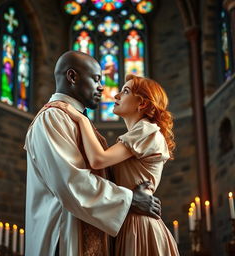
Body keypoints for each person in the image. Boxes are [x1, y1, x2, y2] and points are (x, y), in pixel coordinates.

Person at [24, 51, 162, 256]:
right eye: (96, 79)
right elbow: (70, 182)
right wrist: (130, 199)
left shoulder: (76, 119)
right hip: (64, 238)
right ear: (72, 77)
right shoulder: (52, 117)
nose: (102, 87)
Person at [47, 74, 180, 256]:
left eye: (125, 91)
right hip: (127, 222)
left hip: (140, 225)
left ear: (142, 104)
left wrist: (82, 120)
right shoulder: (135, 136)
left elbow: (98, 159)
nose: (116, 96)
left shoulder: (147, 130)